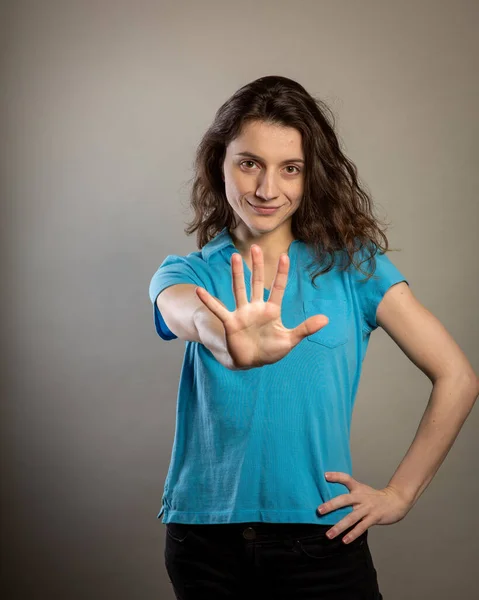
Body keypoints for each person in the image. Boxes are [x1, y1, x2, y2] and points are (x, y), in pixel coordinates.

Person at [148, 75, 478, 599]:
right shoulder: (183, 273)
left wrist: (399, 494)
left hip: (321, 538)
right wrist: (224, 337)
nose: (266, 189)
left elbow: (457, 376)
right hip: (204, 544)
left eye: (291, 169)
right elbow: (186, 314)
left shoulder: (355, 268)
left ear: (310, 176)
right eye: (249, 163)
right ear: (220, 163)